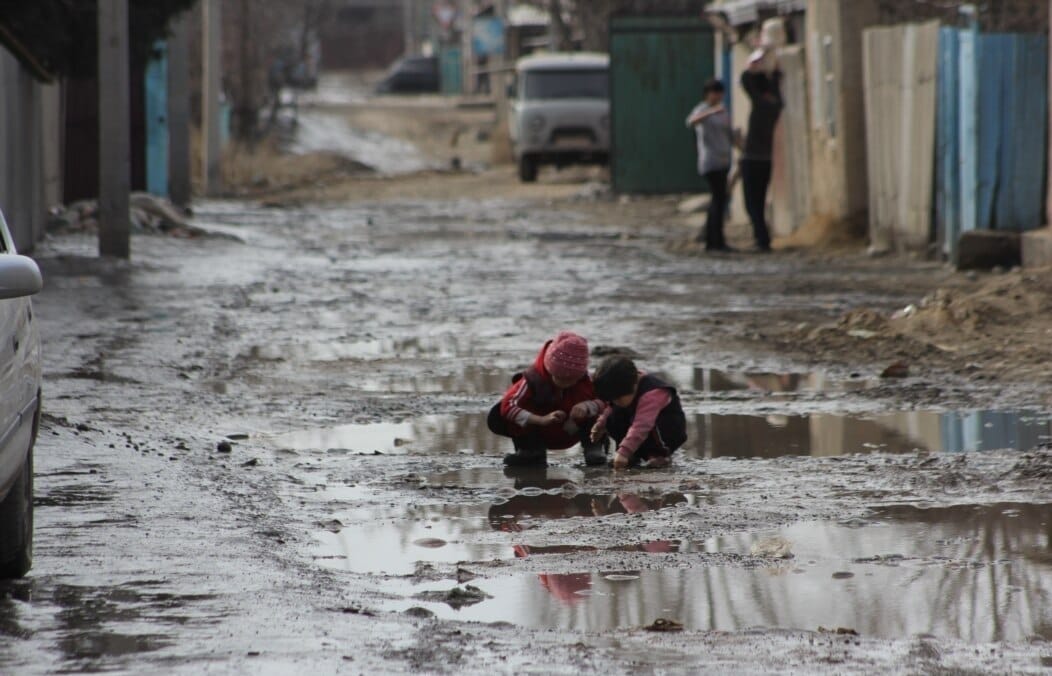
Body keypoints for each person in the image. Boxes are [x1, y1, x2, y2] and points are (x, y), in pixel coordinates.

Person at [488, 331, 607, 467]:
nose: (566, 384)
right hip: (539, 430)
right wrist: (541, 420)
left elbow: (607, 402)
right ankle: (531, 452)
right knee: (497, 414)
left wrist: (588, 406)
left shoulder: (588, 382)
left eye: (572, 380)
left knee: (604, 410)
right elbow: (508, 407)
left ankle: (594, 448)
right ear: (549, 369)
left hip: (574, 428)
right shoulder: (531, 381)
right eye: (560, 378)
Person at [590, 356, 687, 470]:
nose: (615, 402)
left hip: (665, 431)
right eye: (612, 399)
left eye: (618, 398)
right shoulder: (622, 392)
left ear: (633, 385)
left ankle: (659, 455)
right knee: (613, 416)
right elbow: (610, 408)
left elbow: (641, 425)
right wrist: (600, 425)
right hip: (641, 431)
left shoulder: (652, 393)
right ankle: (634, 454)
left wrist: (624, 452)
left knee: (647, 427)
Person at [740, 47, 784, 253]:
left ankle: (762, 239)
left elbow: (745, 81)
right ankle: (762, 238)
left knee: (752, 203)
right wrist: (773, 75)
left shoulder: (760, 105)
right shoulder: (775, 105)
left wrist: (753, 69)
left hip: (751, 158)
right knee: (759, 200)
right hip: (765, 159)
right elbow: (772, 90)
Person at [686, 79, 735, 252]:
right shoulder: (703, 110)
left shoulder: (723, 112)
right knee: (718, 199)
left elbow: (730, 134)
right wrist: (711, 112)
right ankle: (714, 240)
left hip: (724, 160)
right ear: (708, 94)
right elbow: (691, 121)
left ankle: (713, 237)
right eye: (715, 92)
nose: (718, 96)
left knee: (720, 200)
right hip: (710, 162)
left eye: (720, 92)